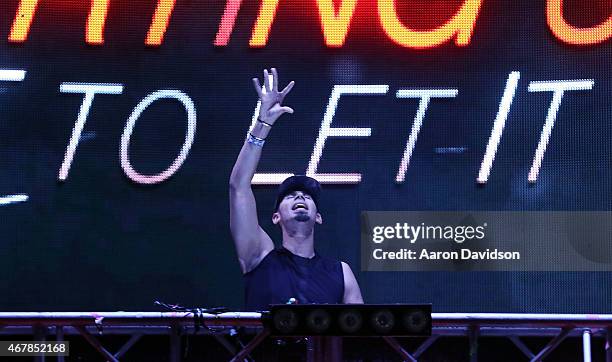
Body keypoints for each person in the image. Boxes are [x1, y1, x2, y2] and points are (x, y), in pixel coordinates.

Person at [229, 68, 363, 311]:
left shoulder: (341, 272)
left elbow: (360, 337)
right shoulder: (259, 256)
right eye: (290, 195)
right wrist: (263, 124)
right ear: (276, 216)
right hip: (265, 350)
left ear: (318, 217)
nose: (300, 196)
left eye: (307, 196)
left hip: (321, 351)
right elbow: (238, 186)